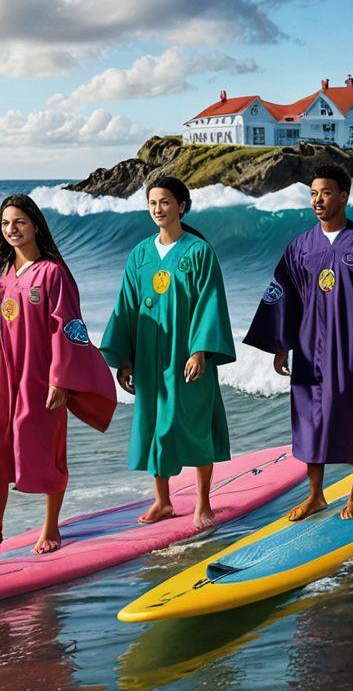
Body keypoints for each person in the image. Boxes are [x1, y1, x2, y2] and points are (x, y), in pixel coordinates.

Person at [245, 164, 353, 521]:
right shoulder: (300, 247)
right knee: (309, 421)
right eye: (314, 193)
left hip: (350, 347)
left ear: (344, 197)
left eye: (326, 193)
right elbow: (283, 296)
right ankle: (316, 496)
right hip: (307, 348)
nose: (318, 200)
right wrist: (280, 344)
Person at [101, 177, 234, 530]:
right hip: (147, 353)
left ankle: (204, 501)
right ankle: (162, 502)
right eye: (152, 203)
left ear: (182, 207)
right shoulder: (140, 254)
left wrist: (201, 351)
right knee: (156, 426)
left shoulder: (198, 252)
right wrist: (125, 359)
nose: (158, 209)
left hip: (186, 355)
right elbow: (126, 307)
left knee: (194, 424)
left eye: (165, 202)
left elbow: (210, 303)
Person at [0, 195, 117, 553]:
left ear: (35, 224)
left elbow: (67, 327)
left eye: (19, 222)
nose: (11, 230)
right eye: (5, 224)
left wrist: (60, 379)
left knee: (49, 449)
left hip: (41, 377)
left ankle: (50, 528)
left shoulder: (53, 273)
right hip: (6, 377)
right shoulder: (4, 275)